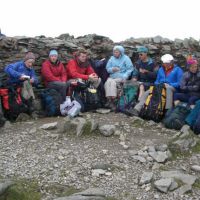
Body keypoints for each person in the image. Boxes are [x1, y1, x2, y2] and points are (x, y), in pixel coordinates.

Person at [104, 45, 136, 110]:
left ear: (121, 52)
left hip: (121, 76)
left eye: (117, 52)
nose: (115, 53)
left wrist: (125, 76)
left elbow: (130, 68)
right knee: (107, 82)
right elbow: (107, 68)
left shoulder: (126, 58)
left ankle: (112, 100)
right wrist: (113, 69)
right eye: (114, 52)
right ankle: (110, 100)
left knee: (112, 82)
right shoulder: (111, 58)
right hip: (112, 76)